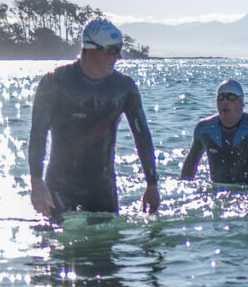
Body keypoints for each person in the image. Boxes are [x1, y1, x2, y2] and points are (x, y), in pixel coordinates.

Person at [28, 18, 160, 221]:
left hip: (102, 187)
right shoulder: (55, 82)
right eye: (112, 50)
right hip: (60, 185)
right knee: (60, 245)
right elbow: (38, 134)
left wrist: (152, 184)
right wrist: (36, 182)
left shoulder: (124, 88)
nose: (119, 57)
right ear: (90, 49)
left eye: (120, 49)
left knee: (103, 247)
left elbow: (142, 136)